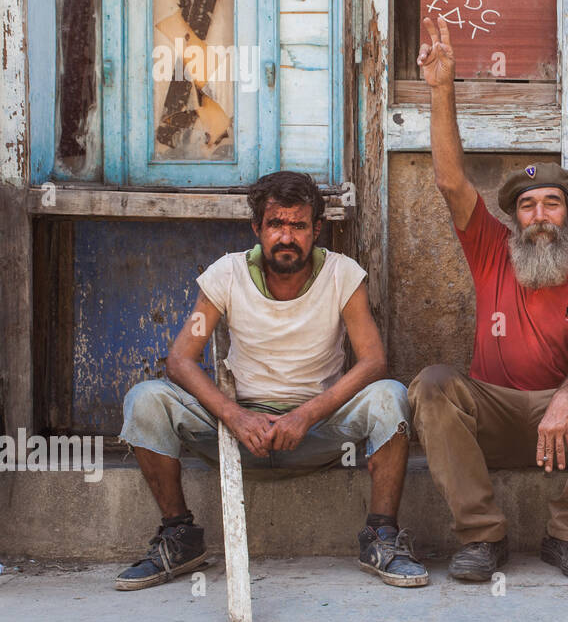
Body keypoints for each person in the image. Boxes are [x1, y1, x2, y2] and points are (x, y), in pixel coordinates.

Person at [408, 16, 568, 581]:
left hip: (561, 419)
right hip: (491, 409)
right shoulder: (491, 248)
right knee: (430, 386)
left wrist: (565, 399)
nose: (540, 216)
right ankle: (482, 536)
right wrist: (442, 89)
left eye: (552, 204)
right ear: (513, 218)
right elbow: (449, 181)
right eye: (528, 206)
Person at [117, 171, 427, 590]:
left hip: (318, 430)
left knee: (390, 396)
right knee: (146, 398)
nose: (286, 236)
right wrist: (235, 416)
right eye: (276, 225)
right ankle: (179, 535)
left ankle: (381, 537)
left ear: (316, 229)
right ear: (257, 228)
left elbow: (373, 362)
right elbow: (180, 359)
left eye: (298, 226)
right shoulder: (225, 274)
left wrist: (305, 415)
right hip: (239, 434)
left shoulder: (342, 275)